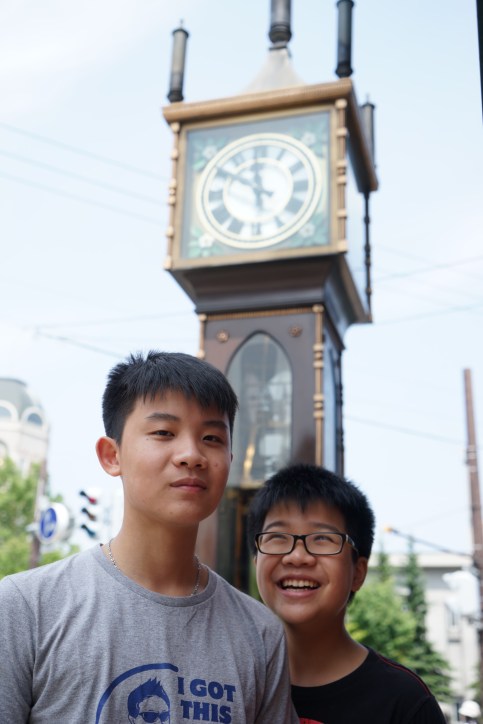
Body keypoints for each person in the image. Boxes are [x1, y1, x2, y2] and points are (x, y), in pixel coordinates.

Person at [0, 350, 298, 723]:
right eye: (163, 433)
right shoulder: (26, 607)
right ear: (112, 455)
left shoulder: (260, 634)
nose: (191, 455)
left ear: (230, 461)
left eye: (211, 438)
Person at [247, 462, 447, 723]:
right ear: (256, 563)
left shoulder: (406, 702)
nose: (297, 556)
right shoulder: (228, 683)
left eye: (322, 539)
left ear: (358, 573)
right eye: (277, 537)